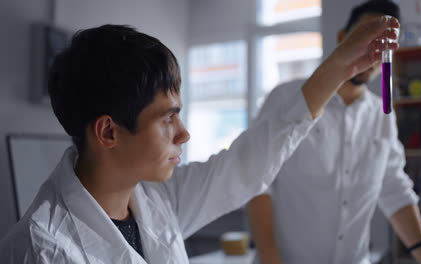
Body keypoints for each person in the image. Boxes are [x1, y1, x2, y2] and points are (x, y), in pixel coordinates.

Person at [0, 14, 399, 263]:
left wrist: (340, 65)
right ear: (108, 131)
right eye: (168, 118)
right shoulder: (38, 250)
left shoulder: (158, 201)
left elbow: (249, 162)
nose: (184, 133)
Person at [248, 1, 421, 264]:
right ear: (342, 38)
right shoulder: (286, 97)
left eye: (385, 45)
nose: (374, 52)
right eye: (366, 37)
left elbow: (395, 188)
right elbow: (258, 182)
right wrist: (270, 258)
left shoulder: (382, 114)